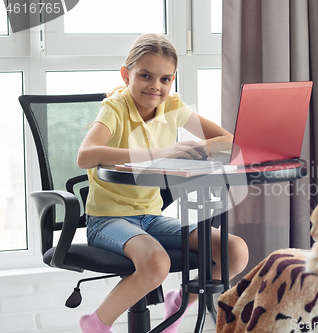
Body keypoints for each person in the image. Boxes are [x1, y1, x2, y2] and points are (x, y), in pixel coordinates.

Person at [77, 33, 249, 333]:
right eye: (145, 76)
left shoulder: (171, 107)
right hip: (108, 221)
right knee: (157, 263)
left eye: (166, 79)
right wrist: (160, 153)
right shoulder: (115, 108)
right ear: (126, 74)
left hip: (152, 218)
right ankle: (95, 323)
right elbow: (86, 156)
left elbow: (227, 142)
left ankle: (181, 300)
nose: (156, 86)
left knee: (235, 251)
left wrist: (193, 151)